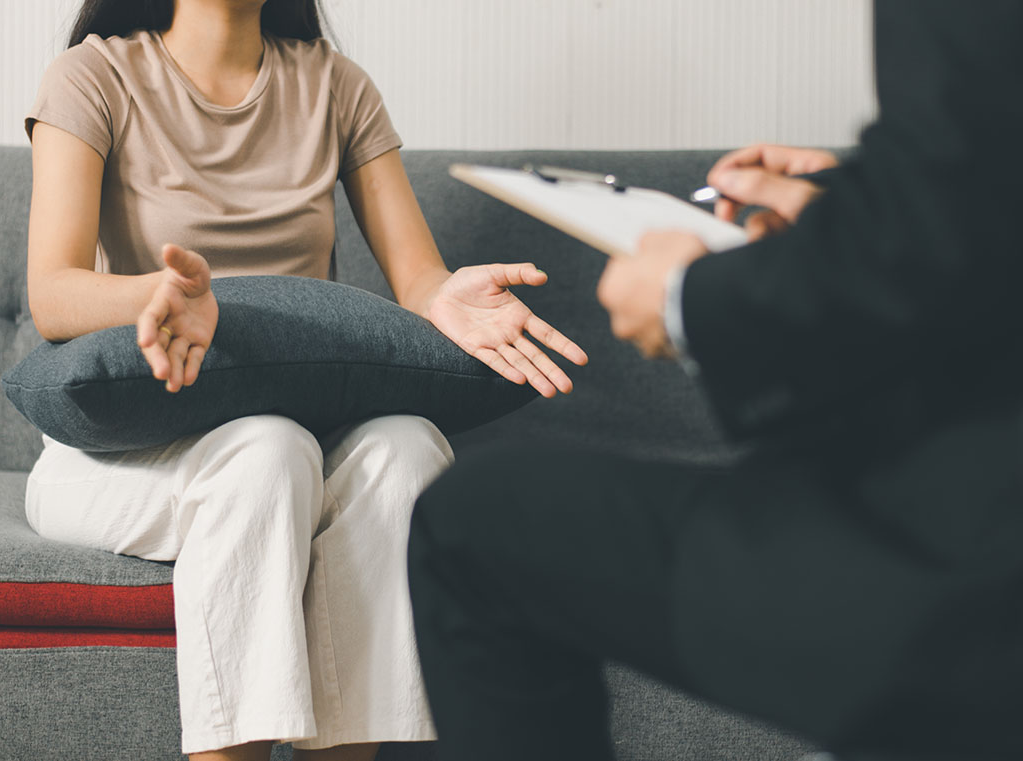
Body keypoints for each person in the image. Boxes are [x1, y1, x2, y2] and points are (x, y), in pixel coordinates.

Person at [406, 2, 1023, 760]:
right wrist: (844, 198)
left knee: (472, 527)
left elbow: (937, 216)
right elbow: (974, 192)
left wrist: (686, 296)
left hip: (974, 566)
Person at [21, 1, 588, 759]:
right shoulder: (94, 75)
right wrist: (153, 297)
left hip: (305, 447)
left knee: (407, 446)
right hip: (132, 453)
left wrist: (442, 294)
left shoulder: (336, 85)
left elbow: (416, 277)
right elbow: (53, 293)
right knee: (267, 448)